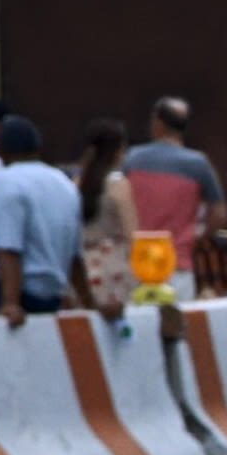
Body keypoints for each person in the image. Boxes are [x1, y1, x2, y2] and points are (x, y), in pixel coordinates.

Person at [0, 116, 120, 325]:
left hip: (7, 292)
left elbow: (7, 248)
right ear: (38, 148)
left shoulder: (6, 181)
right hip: (50, 298)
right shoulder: (64, 183)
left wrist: (10, 303)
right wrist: (90, 304)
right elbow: (74, 256)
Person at [123, 96, 227, 303]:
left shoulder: (132, 159)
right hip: (176, 264)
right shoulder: (198, 165)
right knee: (176, 331)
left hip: (137, 264)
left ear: (157, 123)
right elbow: (219, 215)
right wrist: (196, 237)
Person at [75, 118, 141, 313]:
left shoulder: (75, 183)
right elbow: (132, 235)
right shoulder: (118, 185)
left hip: (82, 270)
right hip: (115, 268)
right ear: (118, 151)